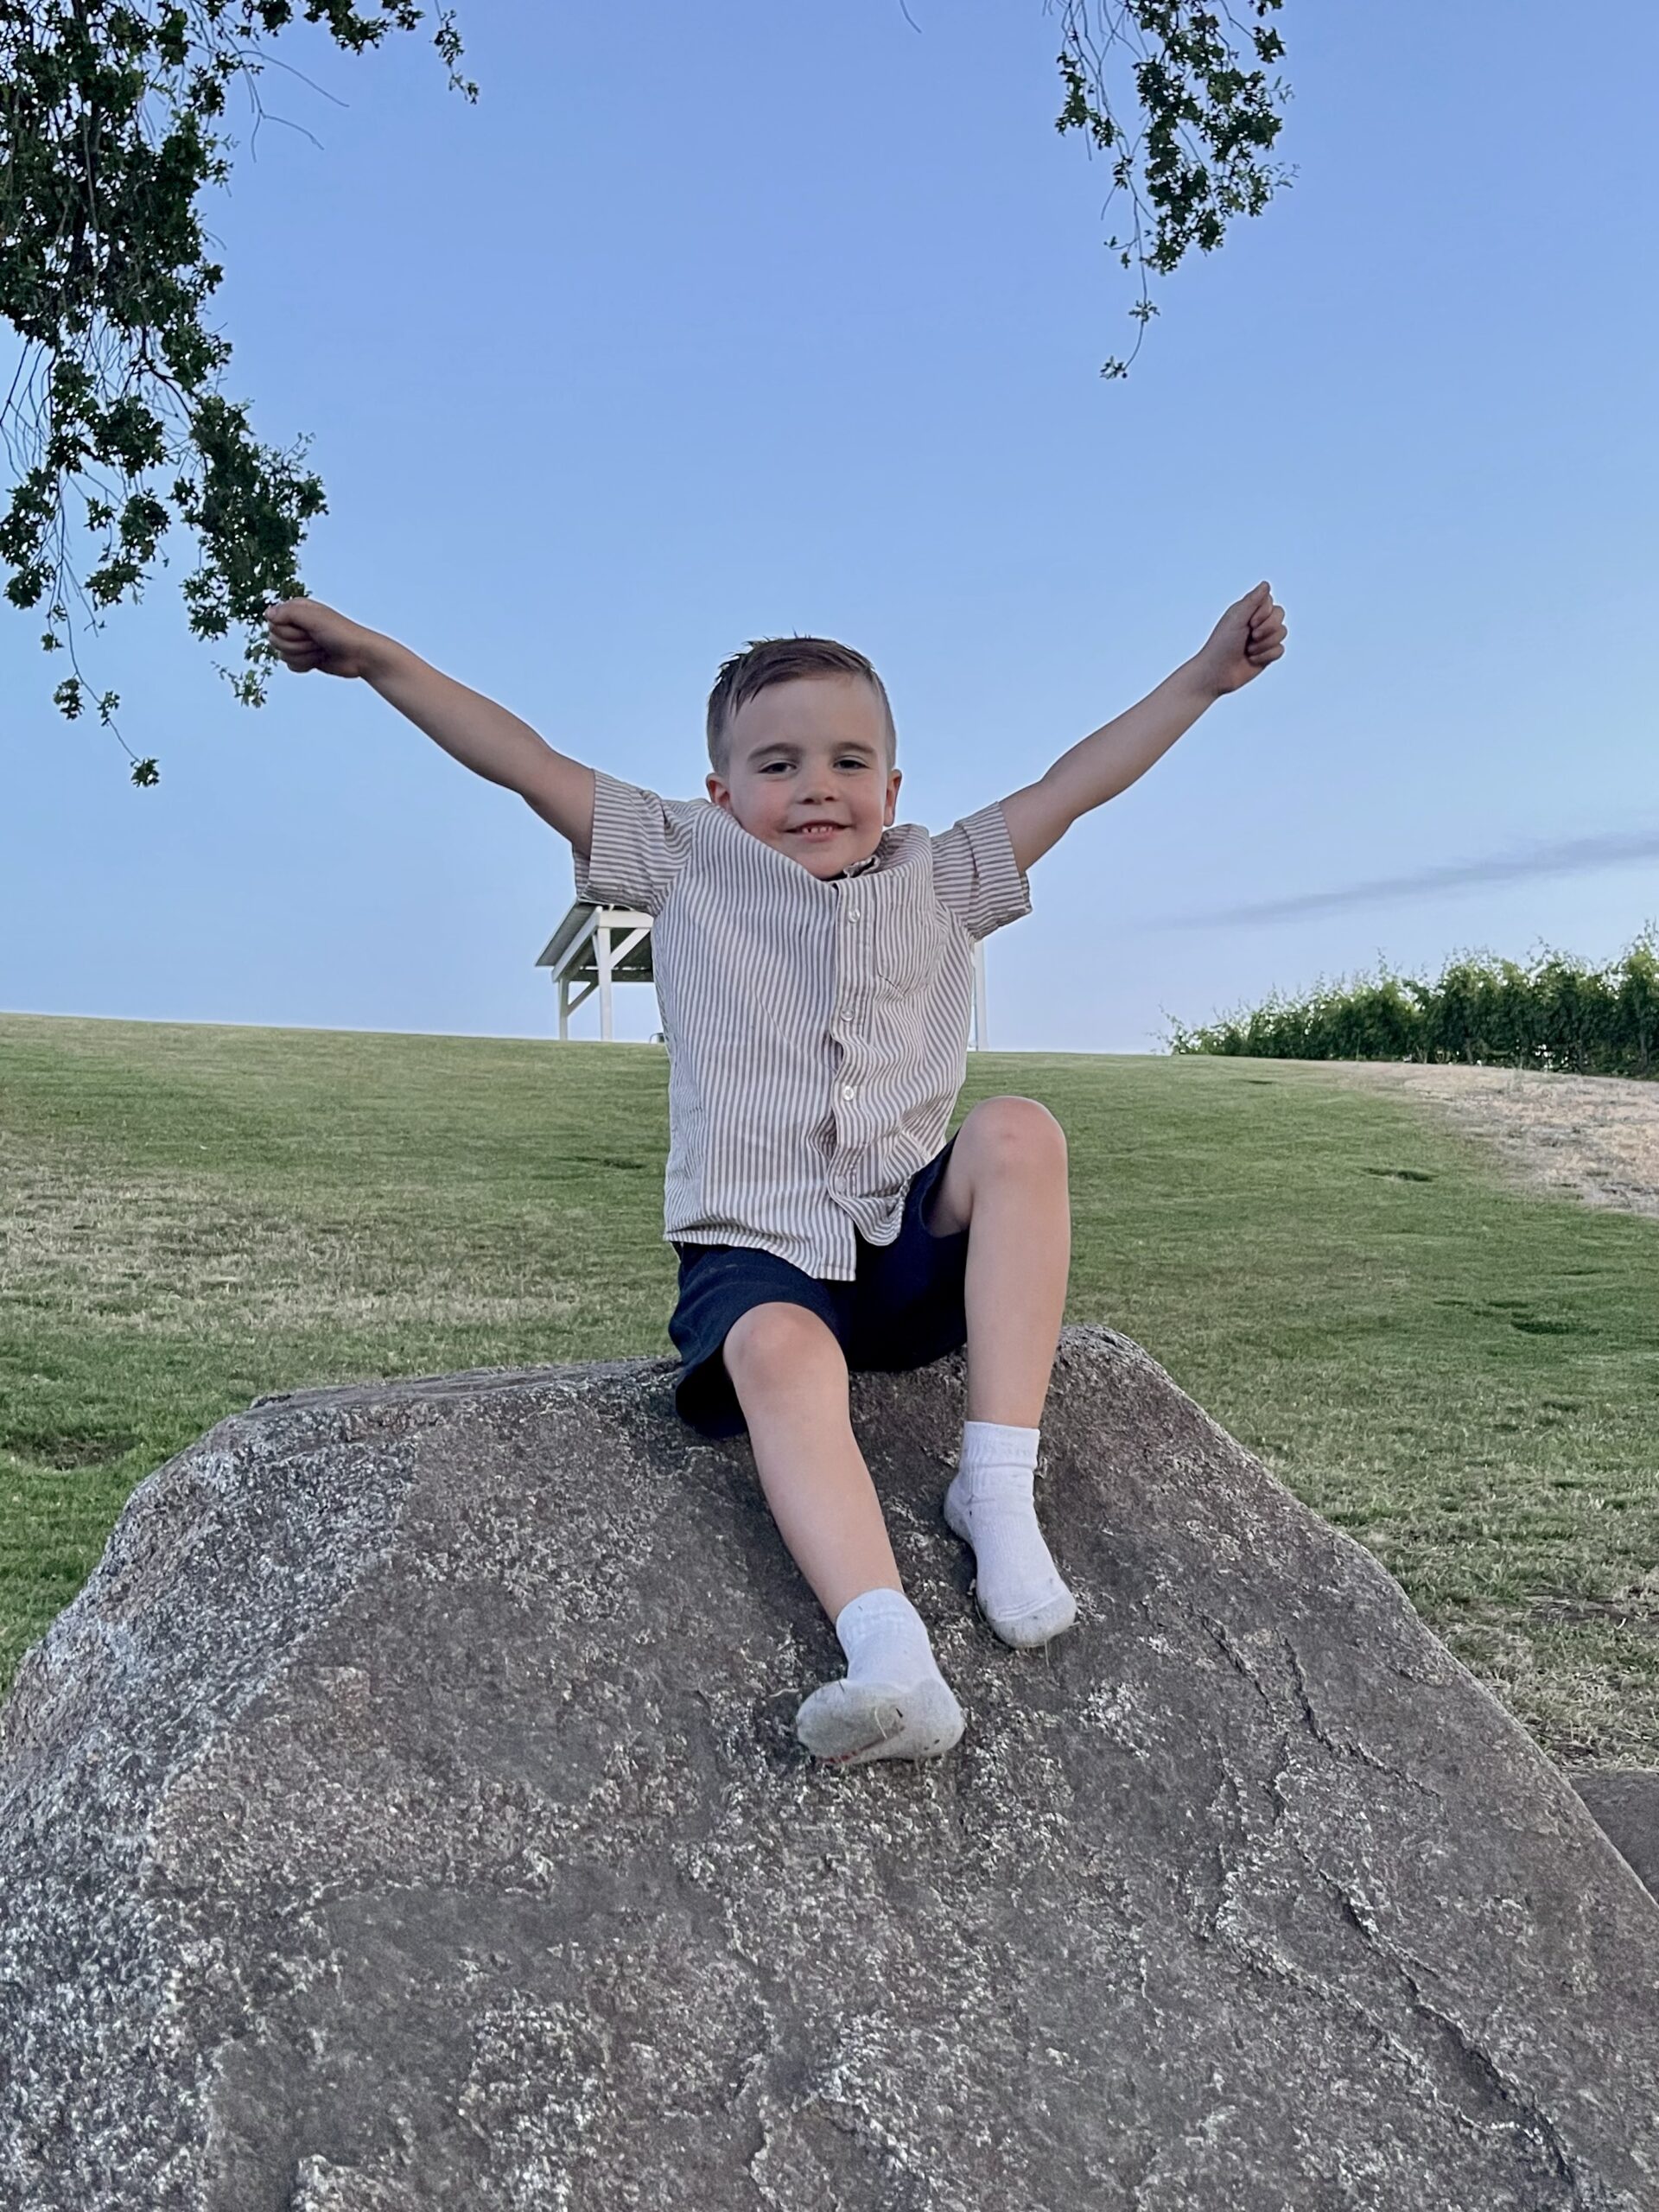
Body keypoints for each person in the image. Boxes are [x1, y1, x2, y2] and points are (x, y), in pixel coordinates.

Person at [264, 584, 1287, 1764]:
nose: (817, 786)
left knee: (1020, 1131)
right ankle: (892, 1658)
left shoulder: (945, 877)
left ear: (894, 790)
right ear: (721, 794)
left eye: (850, 761)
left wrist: (1205, 678)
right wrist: (377, 658)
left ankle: (995, 1487)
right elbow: (524, 760)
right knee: (777, 1352)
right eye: (778, 763)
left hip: (902, 1246)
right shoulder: (687, 862)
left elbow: (1080, 779)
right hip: (756, 1255)